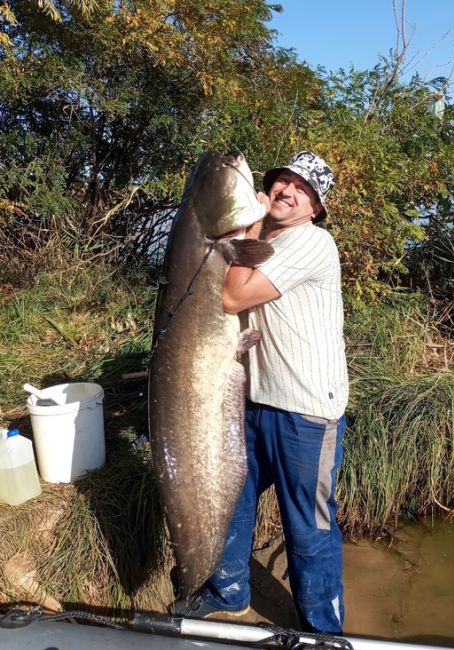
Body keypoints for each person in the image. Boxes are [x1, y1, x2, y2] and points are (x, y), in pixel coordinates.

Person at [173, 151, 349, 634]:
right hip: (255, 404)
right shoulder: (266, 239)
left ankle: (322, 630)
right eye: (283, 181)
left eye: (302, 189)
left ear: (314, 207)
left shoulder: (312, 242)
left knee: (307, 526)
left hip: (307, 413)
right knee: (234, 498)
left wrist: (242, 228)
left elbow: (230, 297)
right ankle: (227, 591)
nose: (286, 191)